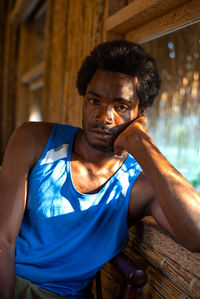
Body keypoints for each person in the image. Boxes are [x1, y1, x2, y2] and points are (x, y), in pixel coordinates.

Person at [0, 40, 200, 299]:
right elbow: (3, 240)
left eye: (121, 107)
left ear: (141, 115)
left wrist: (143, 145)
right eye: (94, 101)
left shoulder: (138, 185)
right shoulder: (34, 140)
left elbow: (196, 235)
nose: (104, 117)